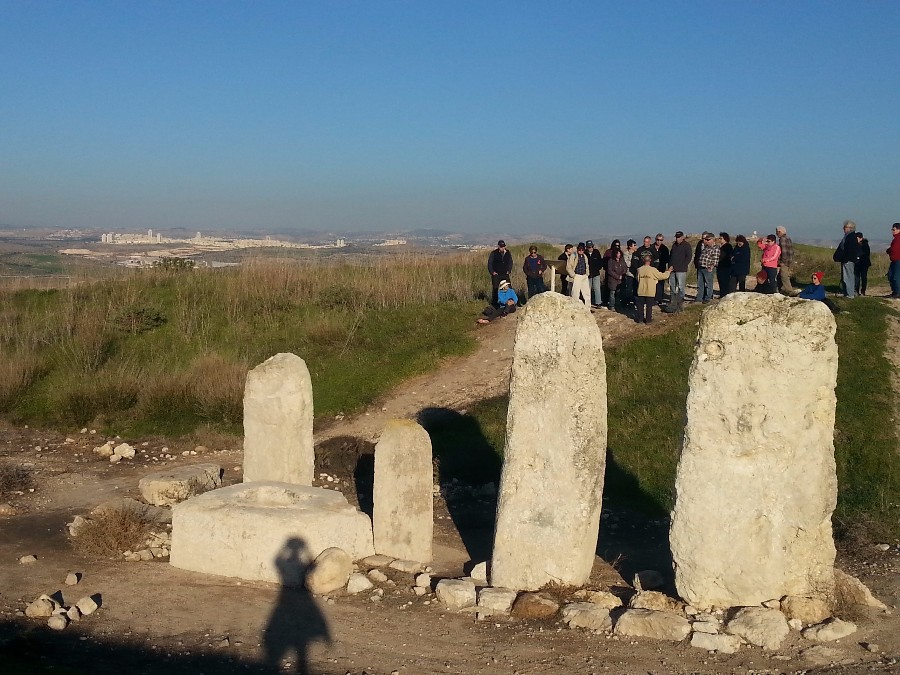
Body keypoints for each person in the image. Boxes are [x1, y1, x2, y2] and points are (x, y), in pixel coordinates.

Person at [635, 253, 671, 324]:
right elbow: (662, 276)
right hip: (650, 291)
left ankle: (640, 320)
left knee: (640, 306)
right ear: (650, 260)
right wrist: (668, 271)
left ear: (643, 260)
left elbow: (637, 278)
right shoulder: (653, 270)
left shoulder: (639, 270)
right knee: (649, 307)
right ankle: (648, 320)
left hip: (641, 290)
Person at [833, 220, 859, 298]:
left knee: (848, 277)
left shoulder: (851, 237)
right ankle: (846, 292)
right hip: (845, 260)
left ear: (850, 228)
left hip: (848, 260)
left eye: (845, 227)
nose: (843, 228)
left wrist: (845, 258)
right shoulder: (847, 236)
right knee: (845, 277)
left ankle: (850, 294)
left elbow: (850, 250)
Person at [668, 231, 692, 304]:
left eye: (678, 237)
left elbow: (689, 257)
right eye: (676, 237)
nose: (677, 239)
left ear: (682, 237)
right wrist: (670, 265)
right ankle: (672, 299)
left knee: (681, 286)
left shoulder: (686, 245)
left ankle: (680, 299)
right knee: (672, 285)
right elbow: (671, 256)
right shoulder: (674, 245)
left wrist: (683, 265)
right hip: (672, 269)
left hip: (681, 270)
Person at [487, 240, 513, 305]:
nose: (502, 248)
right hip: (496, 274)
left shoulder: (507, 253)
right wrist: (492, 272)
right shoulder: (493, 253)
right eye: (501, 247)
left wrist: (509, 270)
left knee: (509, 287)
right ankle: (495, 303)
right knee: (495, 288)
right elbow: (490, 263)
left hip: (505, 273)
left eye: (503, 246)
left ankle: (511, 302)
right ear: (498, 246)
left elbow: (510, 262)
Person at [566, 242, 591, 309]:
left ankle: (588, 308)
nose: (581, 251)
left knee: (587, 293)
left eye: (582, 250)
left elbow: (587, 265)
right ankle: (575, 307)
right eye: (579, 249)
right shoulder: (573, 256)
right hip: (577, 276)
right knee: (575, 293)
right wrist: (573, 275)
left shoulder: (585, 256)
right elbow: (568, 267)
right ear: (577, 249)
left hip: (584, 276)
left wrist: (587, 274)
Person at [697, 233, 720, 303]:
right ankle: (699, 298)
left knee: (708, 284)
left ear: (713, 239)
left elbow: (715, 259)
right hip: (701, 267)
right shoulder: (706, 247)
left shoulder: (715, 248)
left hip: (708, 268)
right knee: (700, 284)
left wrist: (711, 267)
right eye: (706, 239)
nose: (706, 241)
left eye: (708, 239)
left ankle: (708, 297)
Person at [775, 226, 796, 295]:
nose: (776, 233)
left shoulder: (782, 239)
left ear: (780, 232)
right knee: (780, 276)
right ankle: (781, 289)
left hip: (785, 261)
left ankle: (790, 291)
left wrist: (782, 262)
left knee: (784, 276)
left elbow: (783, 251)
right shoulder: (788, 238)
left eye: (777, 232)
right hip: (789, 260)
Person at [652, 234, 670, 303]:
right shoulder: (651, 247)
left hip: (661, 268)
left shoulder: (665, 249)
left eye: (661, 240)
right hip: (652, 269)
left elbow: (667, 259)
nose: (659, 241)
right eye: (657, 240)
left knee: (660, 284)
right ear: (655, 239)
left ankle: (659, 299)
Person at [585, 240, 604, 308]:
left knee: (597, 288)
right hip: (588, 274)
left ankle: (598, 303)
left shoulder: (596, 252)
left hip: (596, 273)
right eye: (588, 247)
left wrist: (598, 268)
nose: (590, 248)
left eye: (591, 247)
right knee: (587, 289)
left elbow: (600, 261)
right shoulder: (584, 254)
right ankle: (588, 302)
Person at [717, 232, 733, 298]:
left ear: (725, 239)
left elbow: (728, 256)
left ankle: (725, 295)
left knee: (725, 281)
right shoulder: (720, 246)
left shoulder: (728, 246)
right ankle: (722, 294)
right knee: (720, 280)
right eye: (719, 238)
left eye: (721, 238)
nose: (720, 240)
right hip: (720, 266)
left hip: (726, 266)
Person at [854, 232, 870, 296]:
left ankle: (863, 291)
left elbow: (866, 254)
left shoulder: (865, 244)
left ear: (861, 238)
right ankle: (857, 290)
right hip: (857, 263)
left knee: (863, 277)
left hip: (864, 263)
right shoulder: (855, 245)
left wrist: (858, 256)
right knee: (857, 278)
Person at [887, 223, 900, 298]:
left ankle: (898, 292)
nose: (892, 231)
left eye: (894, 229)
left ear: (899, 230)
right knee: (890, 275)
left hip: (898, 259)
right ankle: (895, 291)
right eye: (892, 229)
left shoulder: (898, 239)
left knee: (896, 276)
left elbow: (895, 249)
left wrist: (889, 250)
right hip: (894, 260)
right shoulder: (895, 239)